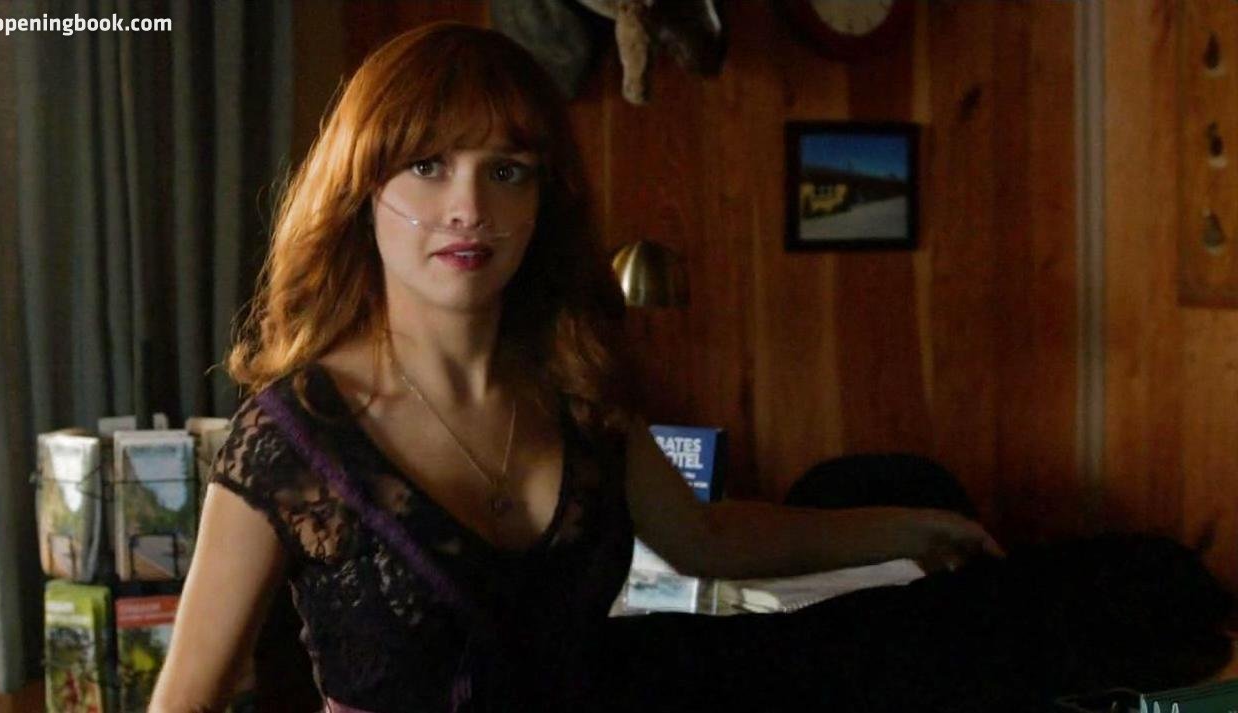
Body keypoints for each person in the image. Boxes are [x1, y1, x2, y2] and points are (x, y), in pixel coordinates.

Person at [148, 21, 1000, 713]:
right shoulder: (293, 435)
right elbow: (187, 698)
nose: (469, 208)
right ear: (362, 190)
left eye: (506, 171)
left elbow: (706, 538)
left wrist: (908, 529)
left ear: (542, 202)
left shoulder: (578, 390)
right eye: (427, 166)